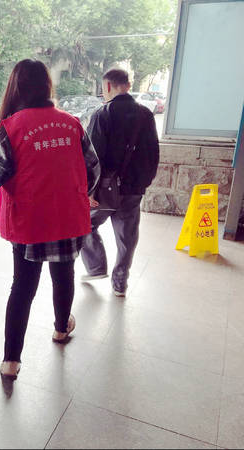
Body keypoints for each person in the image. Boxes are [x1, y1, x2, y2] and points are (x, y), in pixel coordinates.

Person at [0, 59, 100, 382]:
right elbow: (93, 168)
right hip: (68, 217)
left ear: (15, 89)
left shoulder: (12, 129)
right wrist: (77, 192)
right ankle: (61, 328)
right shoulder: (72, 124)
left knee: (23, 287)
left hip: (30, 221)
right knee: (64, 274)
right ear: (47, 86)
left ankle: (11, 361)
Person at [81, 68, 159, 296]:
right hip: (133, 189)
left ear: (107, 86)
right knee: (127, 237)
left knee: (83, 225)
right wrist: (143, 183)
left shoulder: (102, 114)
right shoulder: (146, 114)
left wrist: (89, 190)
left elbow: (92, 157)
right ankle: (120, 283)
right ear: (128, 85)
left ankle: (96, 267)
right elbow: (153, 153)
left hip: (105, 189)